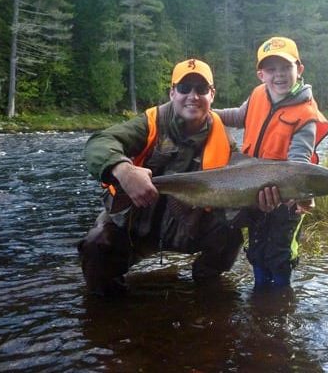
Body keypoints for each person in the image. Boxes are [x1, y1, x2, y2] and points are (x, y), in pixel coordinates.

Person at [79, 58, 243, 297]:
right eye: (185, 88)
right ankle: (107, 307)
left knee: (231, 232)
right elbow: (99, 143)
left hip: (187, 225)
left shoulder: (225, 140)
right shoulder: (149, 123)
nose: (193, 96)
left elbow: (239, 184)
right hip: (135, 223)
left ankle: (205, 286)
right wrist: (123, 170)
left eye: (201, 89)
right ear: (172, 92)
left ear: (212, 95)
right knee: (96, 244)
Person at [215, 36, 328, 289]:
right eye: (271, 69)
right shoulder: (258, 94)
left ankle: (280, 300)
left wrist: (299, 195)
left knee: (279, 254)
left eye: (285, 68)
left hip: (287, 199)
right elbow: (238, 116)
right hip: (255, 191)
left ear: (299, 70)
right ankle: (260, 293)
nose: (279, 75)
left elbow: (299, 161)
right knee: (257, 248)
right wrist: (208, 114)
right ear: (261, 74)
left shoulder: (306, 116)